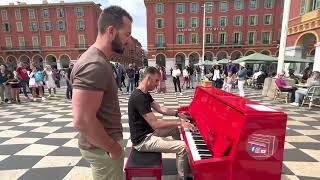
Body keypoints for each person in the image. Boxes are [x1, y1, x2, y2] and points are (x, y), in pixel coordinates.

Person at [71, 6, 132, 180]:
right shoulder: (95, 64)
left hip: (101, 147)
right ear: (111, 31)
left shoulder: (96, 60)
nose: (127, 41)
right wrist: (112, 147)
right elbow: (82, 120)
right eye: (126, 34)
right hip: (103, 149)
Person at [128, 66, 195, 180]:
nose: (158, 84)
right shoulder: (138, 97)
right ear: (148, 78)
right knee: (183, 147)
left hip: (149, 133)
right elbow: (155, 124)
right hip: (143, 141)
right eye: (156, 80)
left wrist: (177, 114)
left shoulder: (144, 93)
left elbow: (160, 108)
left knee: (174, 131)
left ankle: (180, 160)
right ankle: (181, 177)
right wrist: (179, 123)